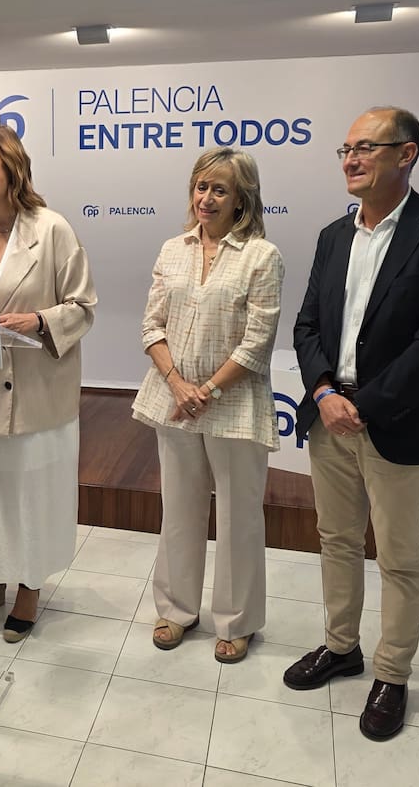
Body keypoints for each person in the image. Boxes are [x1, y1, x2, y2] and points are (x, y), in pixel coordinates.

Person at [283, 107, 419, 740]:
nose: (351, 159)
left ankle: (392, 674)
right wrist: (322, 391)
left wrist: (362, 406)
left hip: (397, 420)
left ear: (407, 153)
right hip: (329, 417)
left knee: (398, 555)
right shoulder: (332, 236)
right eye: (345, 149)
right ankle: (341, 647)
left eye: (366, 147)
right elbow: (307, 324)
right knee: (337, 540)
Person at [0, 125, 97, 642]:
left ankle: (29, 585)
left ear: (13, 166)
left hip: (38, 391)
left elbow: (84, 306)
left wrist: (40, 321)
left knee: (33, 493)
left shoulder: (52, 229)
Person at [131, 148, 284, 664]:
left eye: (220, 189)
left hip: (234, 404)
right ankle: (176, 610)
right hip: (173, 401)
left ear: (242, 198)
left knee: (240, 517)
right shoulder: (172, 249)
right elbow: (151, 326)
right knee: (178, 510)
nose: (207, 198)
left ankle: (237, 622)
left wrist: (207, 391)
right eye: (201, 187)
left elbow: (257, 341)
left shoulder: (262, 256)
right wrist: (178, 385)